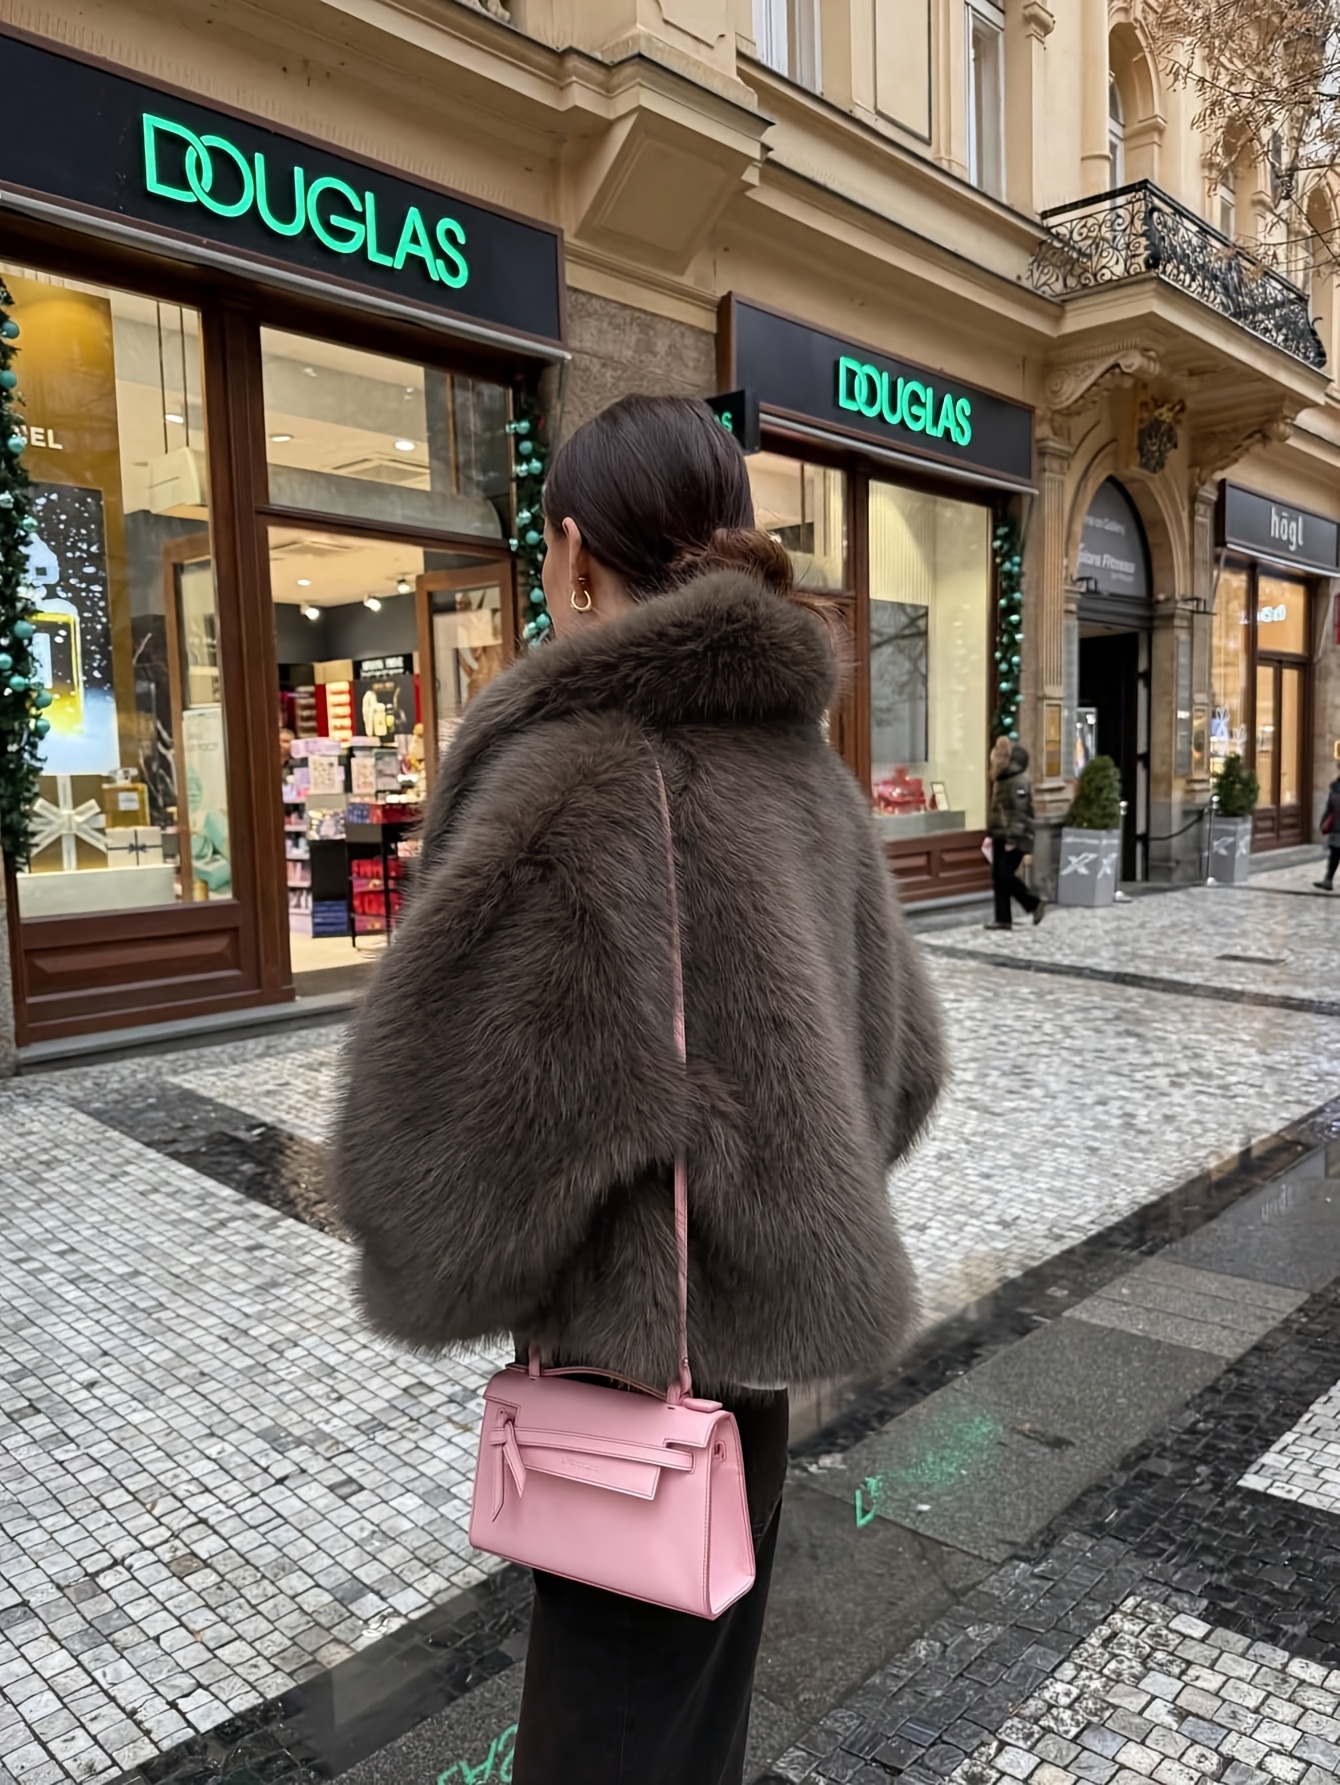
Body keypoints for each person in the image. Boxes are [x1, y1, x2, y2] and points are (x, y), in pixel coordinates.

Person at [330, 395, 946, 1785]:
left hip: (624, 1398)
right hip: (750, 1401)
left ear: (569, 552)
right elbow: (904, 1068)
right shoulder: (807, 773)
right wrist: (775, 1190)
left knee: (601, 1751)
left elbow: (426, 1169)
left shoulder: (577, 776)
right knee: (692, 1742)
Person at [986, 736, 1044, 930]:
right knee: (998, 876)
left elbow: (1019, 812)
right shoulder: (1002, 779)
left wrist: (1012, 838)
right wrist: (992, 833)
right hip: (1000, 834)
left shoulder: (1017, 781)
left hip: (1014, 836)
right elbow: (1000, 810)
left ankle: (1033, 903)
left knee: (1005, 874)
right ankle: (1003, 918)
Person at [1315, 771, 1340, 891]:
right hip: (1337, 829)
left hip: (1336, 829)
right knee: (1334, 855)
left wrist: (1323, 823)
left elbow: (1329, 809)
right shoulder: (1334, 789)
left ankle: (1328, 880)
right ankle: (1327, 880)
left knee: (1334, 855)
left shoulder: (1334, 789)